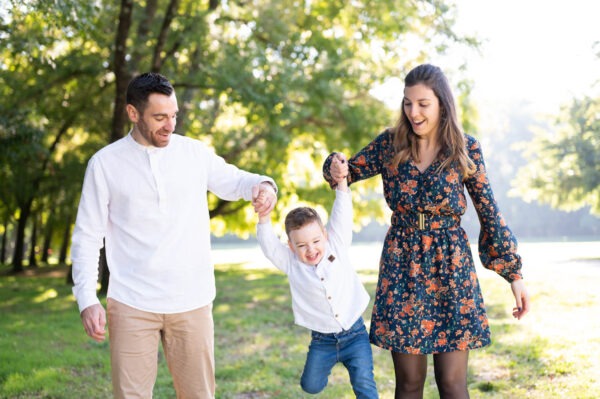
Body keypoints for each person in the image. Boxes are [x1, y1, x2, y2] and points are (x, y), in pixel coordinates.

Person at [324, 63, 529, 399]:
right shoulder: (390, 144)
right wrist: (335, 165)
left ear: (442, 104)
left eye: (423, 104)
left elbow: (488, 210)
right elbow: (345, 171)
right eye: (407, 103)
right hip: (403, 266)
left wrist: (514, 275)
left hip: (451, 267)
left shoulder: (465, 148)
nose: (413, 112)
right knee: (408, 385)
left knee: (452, 384)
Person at [70, 72, 277, 399]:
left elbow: (234, 180)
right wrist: (86, 298)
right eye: (159, 117)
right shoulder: (104, 164)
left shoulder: (194, 153)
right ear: (133, 114)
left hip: (191, 301)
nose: (170, 125)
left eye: (174, 116)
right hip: (131, 302)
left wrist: (263, 186)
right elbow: (87, 237)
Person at [255, 154, 379, 399]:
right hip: (322, 340)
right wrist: (263, 217)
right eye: (301, 245)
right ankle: (325, 369)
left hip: (355, 334)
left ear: (325, 234)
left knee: (365, 385)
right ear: (290, 246)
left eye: (315, 241)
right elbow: (269, 245)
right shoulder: (291, 263)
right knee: (310, 386)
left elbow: (342, 211)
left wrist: (342, 181)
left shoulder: (337, 244)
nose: (310, 249)